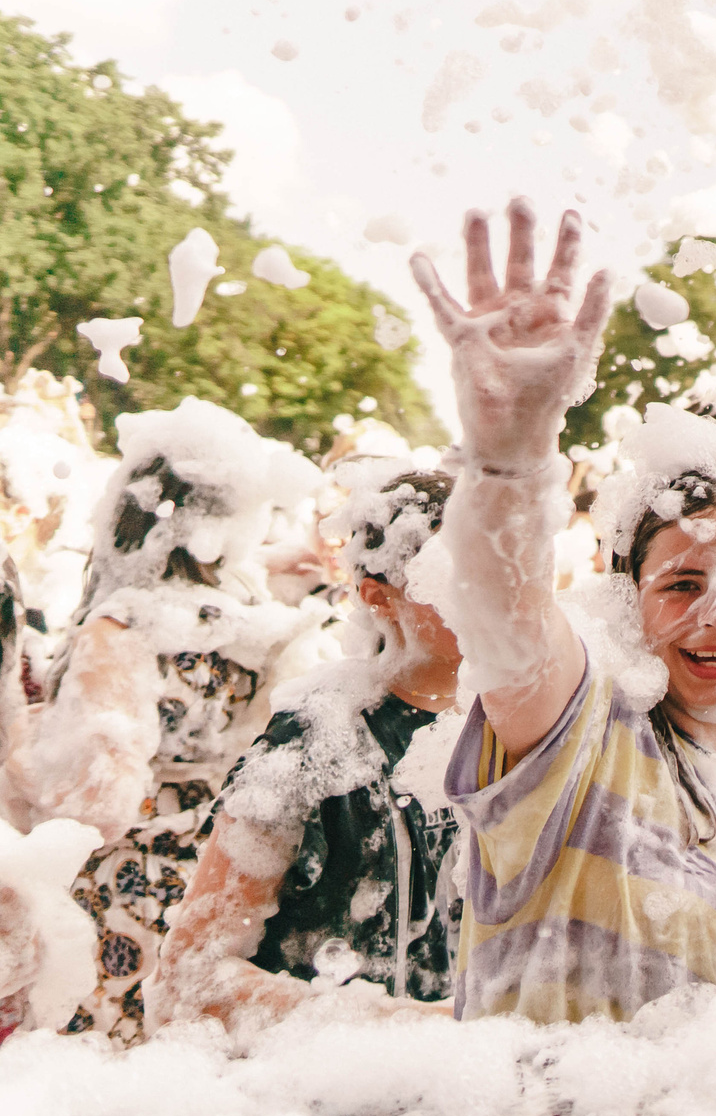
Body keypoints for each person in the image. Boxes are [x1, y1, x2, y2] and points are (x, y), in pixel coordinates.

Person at [408, 200, 716, 1022]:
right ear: (628, 596)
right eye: (680, 585)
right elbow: (506, 609)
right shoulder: (578, 727)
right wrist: (507, 460)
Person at [1, 400, 324, 1041]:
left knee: (108, 1065)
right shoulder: (262, 625)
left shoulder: (123, 625)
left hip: (131, 885)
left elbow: (98, 799)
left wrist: (22, 759)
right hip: (223, 876)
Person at [150, 468, 463, 1033]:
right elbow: (190, 972)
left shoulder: (522, 731)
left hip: (469, 1088)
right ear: (379, 595)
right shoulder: (316, 741)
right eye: (456, 577)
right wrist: (397, 1026)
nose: (490, 598)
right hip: (319, 1091)